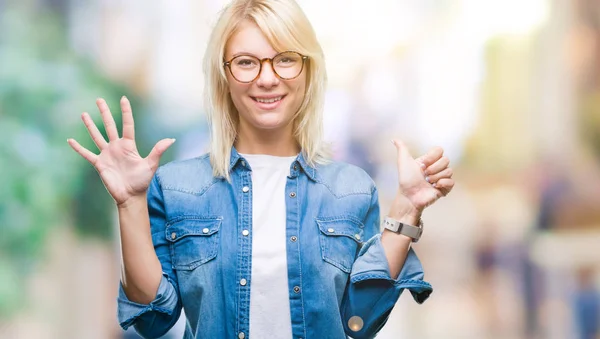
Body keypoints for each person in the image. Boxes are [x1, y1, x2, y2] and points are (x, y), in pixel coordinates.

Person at [67, 0, 455, 338]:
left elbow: (360, 319)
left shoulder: (352, 189)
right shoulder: (177, 187)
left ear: (307, 70)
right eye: (247, 62)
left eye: (285, 59)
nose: (267, 78)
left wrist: (406, 208)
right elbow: (153, 318)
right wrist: (131, 203)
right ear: (224, 76)